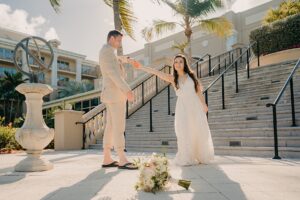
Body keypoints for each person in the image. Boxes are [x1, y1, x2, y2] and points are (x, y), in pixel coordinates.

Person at [131, 54, 214, 165]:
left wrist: (204, 104)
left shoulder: (192, 76)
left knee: (197, 130)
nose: (178, 64)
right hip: (182, 107)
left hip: (195, 106)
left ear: (184, 64)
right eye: (176, 62)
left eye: (180, 62)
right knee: (184, 132)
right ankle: (187, 157)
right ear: (173, 65)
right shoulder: (173, 79)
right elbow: (156, 72)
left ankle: (200, 155)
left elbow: (198, 91)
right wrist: (141, 67)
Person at [99, 30, 138, 170]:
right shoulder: (107, 52)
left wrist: (127, 59)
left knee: (110, 126)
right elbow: (113, 73)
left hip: (110, 95)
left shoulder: (108, 52)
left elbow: (116, 60)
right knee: (119, 126)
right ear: (111, 38)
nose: (120, 43)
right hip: (115, 95)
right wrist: (127, 89)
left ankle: (107, 157)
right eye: (118, 40)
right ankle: (122, 158)